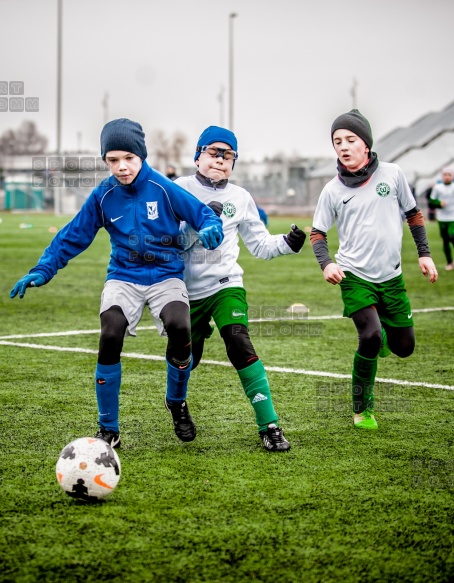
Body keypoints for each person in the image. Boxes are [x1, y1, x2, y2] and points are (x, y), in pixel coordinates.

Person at [10, 118, 224, 448]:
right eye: (112, 160)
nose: (121, 167)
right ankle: (108, 428)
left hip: (166, 276)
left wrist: (212, 230)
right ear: (105, 161)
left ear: (141, 156)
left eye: (128, 158)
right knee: (110, 332)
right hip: (123, 277)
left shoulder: (165, 189)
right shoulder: (103, 195)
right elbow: (72, 236)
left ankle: (176, 402)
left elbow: (204, 215)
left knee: (181, 329)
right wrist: (43, 269)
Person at [176, 126, 306, 451]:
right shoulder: (177, 189)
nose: (220, 160)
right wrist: (199, 227)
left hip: (225, 285)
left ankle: (270, 425)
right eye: (213, 152)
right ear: (197, 155)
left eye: (228, 155)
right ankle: (175, 402)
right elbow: (167, 242)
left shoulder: (240, 197)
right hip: (183, 291)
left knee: (238, 342)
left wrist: (287, 244)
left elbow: (260, 244)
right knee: (185, 360)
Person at [310, 109, 438, 430]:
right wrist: (327, 264)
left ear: (365, 144)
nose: (343, 146)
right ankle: (361, 409)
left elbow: (413, 213)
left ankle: (383, 328)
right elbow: (318, 233)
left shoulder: (393, 175)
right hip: (354, 276)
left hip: (391, 278)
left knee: (404, 348)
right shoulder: (332, 190)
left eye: (350, 139)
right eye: (337, 141)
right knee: (369, 336)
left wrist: (425, 255)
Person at [429, 167, 454, 270]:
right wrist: (439, 203)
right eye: (445, 175)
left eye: (449, 175)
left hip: (453, 218)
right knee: (445, 241)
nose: (447, 177)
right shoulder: (437, 188)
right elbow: (431, 201)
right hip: (442, 218)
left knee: (451, 235)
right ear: (442, 176)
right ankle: (449, 263)